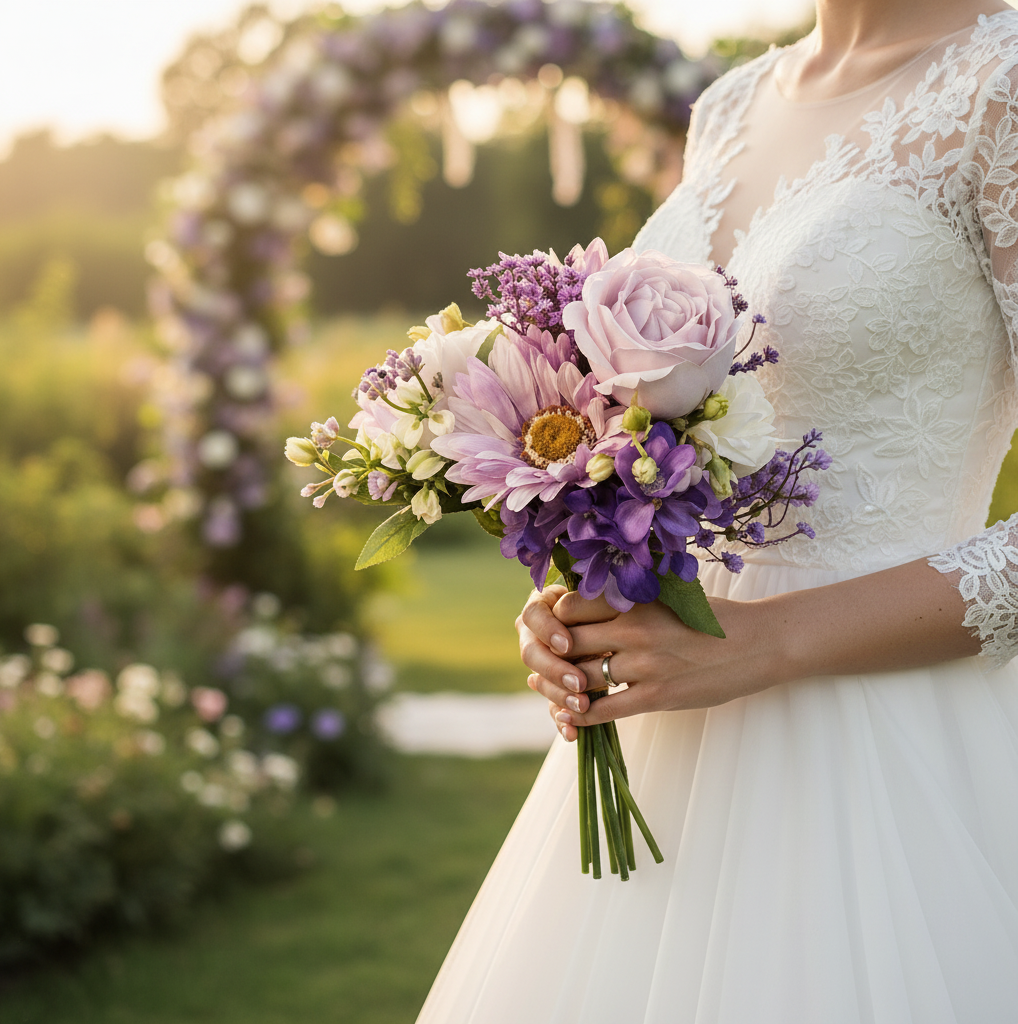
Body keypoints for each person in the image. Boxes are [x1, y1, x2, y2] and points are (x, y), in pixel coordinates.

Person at [415, 1, 1018, 1020]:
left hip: (896, 740)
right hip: (675, 738)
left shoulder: (1000, 87)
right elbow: (680, 433)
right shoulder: (732, 103)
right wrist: (586, 590)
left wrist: (767, 640)